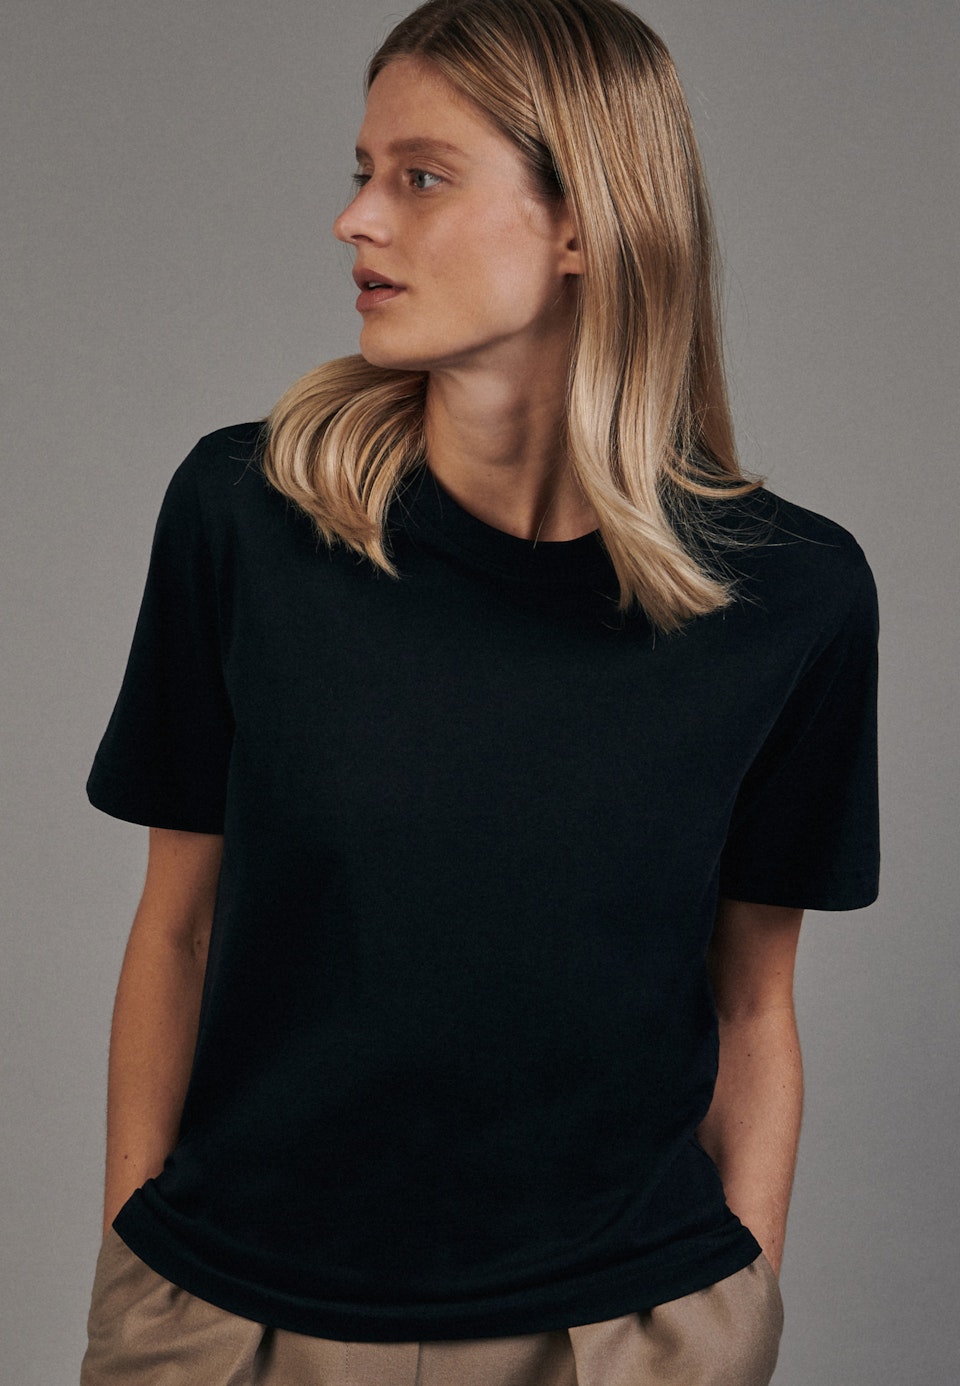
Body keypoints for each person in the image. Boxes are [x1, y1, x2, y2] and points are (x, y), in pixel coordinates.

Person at [79, 0, 880, 1382]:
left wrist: (732, 1306)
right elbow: (178, 930)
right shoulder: (242, 516)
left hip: (621, 1336)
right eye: (362, 171)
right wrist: (140, 1272)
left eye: (421, 176)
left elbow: (756, 1004)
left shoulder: (790, 596)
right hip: (234, 1319)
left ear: (584, 226)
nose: (354, 220)